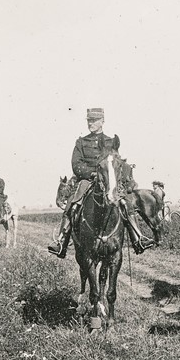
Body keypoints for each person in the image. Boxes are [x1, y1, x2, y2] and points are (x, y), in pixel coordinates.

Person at [48, 107, 154, 258]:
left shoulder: (111, 142)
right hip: (87, 180)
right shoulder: (81, 142)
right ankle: (61, 242)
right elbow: (76, 164)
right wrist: (92, 173)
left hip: (109, 180)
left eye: (94, 120)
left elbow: (118, 162)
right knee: (72, 203)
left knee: (125, 203)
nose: (91, 123)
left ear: (102, 121)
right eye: (89, 120)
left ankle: (138, 238)